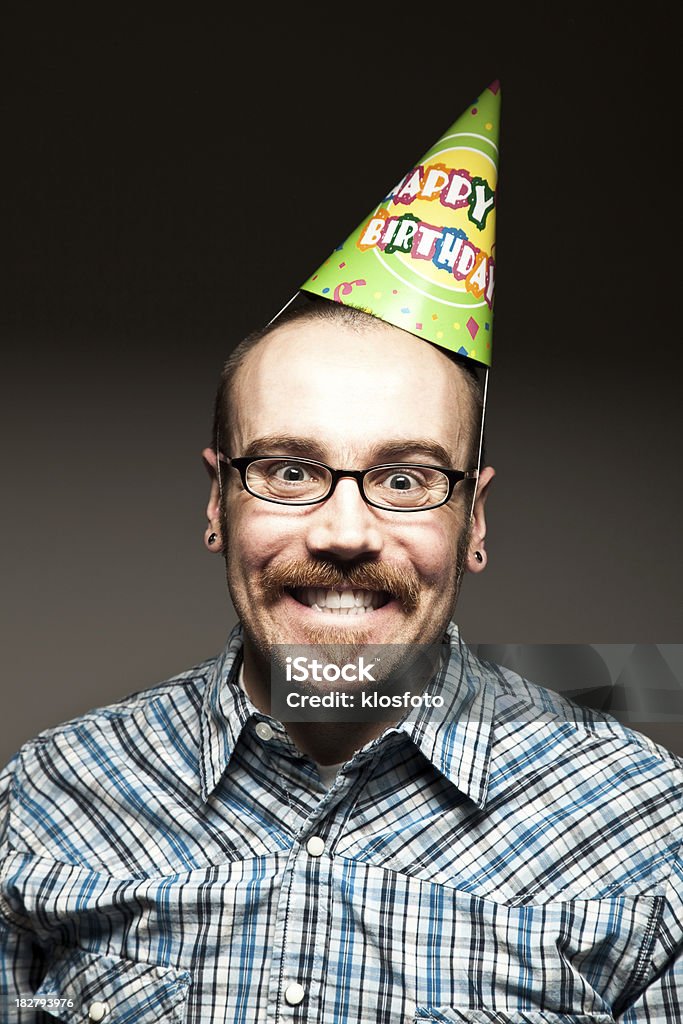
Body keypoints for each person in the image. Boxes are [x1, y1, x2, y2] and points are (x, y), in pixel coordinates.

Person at [2, 85, 682, 1024]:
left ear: (473, 522)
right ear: (217, 499)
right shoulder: (44, 799)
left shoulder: (650, 829)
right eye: (287, 471)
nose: (345, 533)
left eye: (405, 480)